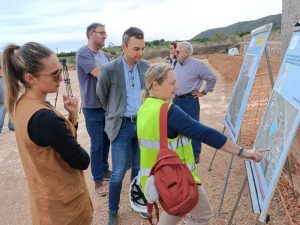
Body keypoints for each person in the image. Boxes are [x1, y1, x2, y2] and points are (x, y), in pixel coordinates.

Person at [137, 63, 265, 225]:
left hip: (154, 178)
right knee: (203, 214)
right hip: (177, 178)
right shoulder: (168, 111)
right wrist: (242, 152)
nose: (177, 87)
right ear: (155, 84)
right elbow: (204, 133)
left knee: (176, 211)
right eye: (172, 83)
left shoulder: (145, 107)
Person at [2, 42, 93, 225]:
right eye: (55, 74)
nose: (60, 78)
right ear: (30, 78)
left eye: (60, 70)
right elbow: (81, 160)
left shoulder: (22, 104)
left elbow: (53, 145)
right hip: (65, 210)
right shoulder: (44, 118)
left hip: (46, 203)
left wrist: (72, 116)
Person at [96, 27, 149, 225]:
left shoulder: (145, 66)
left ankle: (137, 202)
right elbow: (101, 95)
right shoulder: (109, 69)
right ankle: (112, 211)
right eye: (136, 48)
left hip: (142, 125)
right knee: (118, 171)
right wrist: (114, 112)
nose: (140, 53)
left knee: (139, 167)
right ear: (124, 46)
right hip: (121, 126)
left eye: (142, 48)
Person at [76, 22, 111, 197]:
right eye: (102, 32)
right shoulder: (83, 53)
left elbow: (113, 73)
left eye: (105, 33)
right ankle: (98, 180)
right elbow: (101, 75)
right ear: (91, 34)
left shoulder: (105, 54)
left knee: (107, 140)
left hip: (107, 106)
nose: (105, 35)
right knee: (97, 143)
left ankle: (104, 170)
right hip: (93, 107)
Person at [173, 41, 217, 163]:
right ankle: (180, 152)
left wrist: (203, 92)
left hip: (189, 101)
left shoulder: (198, 65)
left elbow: (212, 78)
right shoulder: (176, 63)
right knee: (176, 126)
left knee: (193, 126)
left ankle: (195, 154)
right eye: (175, 51)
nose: (175, 53)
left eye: (178, 51)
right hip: (176, 100)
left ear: (187, 52)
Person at [0, 58, 14, 133]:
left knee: (10, 107)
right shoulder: (4, 70)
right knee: (4, 108)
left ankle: (11, 125)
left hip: (5, 88)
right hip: (3, 86)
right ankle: (11, 126)